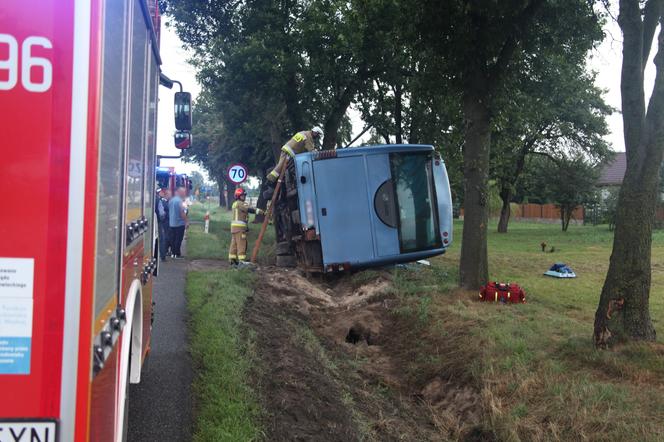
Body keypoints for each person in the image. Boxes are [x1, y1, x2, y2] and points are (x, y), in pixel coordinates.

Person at [265, 126, 324, 192]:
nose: (317, 137)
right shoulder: (309, 137)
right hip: (289, 152)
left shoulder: (303, 132)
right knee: (280, 167)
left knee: (283, 167)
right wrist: (317, 153)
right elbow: (311, 150)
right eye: (317, 135)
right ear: (315, 133)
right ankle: (270, 180)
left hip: (287, 149)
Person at [229, 187, 264, 265]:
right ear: (238, 196)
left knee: (234, 244)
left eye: (244, 195)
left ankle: (232, 260)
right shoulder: (241, 203)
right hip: (240, 228)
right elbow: (249, 209)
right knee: (242, 244)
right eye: (242, 196)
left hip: (234, 228)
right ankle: (242, 261)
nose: (244, 197)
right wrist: (260, 211)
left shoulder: (235, 203)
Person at [168, 187, 189, 259]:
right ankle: (177, 254)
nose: (184, 194)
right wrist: (186, 222)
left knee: (173, 239)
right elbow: (182, 213)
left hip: (171, 223)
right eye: (184, 192)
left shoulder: (171, 200)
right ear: (180, 193)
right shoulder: (180, 201)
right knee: (178, 240)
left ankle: (173, 253)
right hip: (179, 224)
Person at [155, 188, 171, 261]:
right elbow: (162, 214)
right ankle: (162, 256)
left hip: (150, 222)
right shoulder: (159, 201)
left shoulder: (149, 198)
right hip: (158, 222)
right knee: (161, 239)